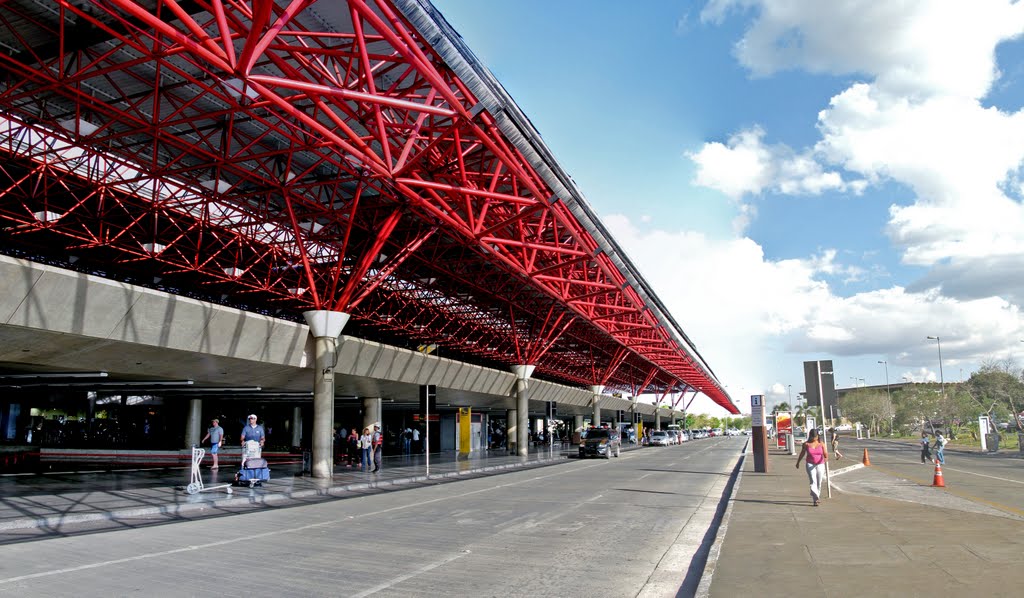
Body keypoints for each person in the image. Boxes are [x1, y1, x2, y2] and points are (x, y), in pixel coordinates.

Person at [795, 428, 829, 506]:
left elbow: (826, 454)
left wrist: (825, 459)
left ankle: (817, 495)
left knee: (819, 481)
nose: (814, 438)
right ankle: (815, 499)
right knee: (813, 481)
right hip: (810, 464)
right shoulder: (806, 444)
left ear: (818, 436)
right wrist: (798, 462)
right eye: (813, 436)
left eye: (815, 436)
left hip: (820, 464)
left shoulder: (821, 444)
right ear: (810, 436)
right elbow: (802, 453)